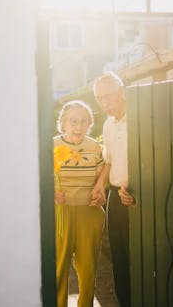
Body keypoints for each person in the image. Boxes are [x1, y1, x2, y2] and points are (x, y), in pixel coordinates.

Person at [53, 100, 106, 307]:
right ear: (63, 123)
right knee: (59, 266)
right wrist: (52, 193)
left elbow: (103, 179)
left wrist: (101, 193)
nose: (78, 126)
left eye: (84, 121)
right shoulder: (52, 145)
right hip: (60, 212)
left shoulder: (95, 147)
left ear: (89, 124)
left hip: (89, 212)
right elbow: (39, 177)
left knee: (88, 268)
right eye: (73, 121)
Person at [91, 72, 135, 307]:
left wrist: (135, 186)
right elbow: (109, 161)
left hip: (140, 197)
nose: (104, 103)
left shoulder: (140, 118)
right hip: (115, 199)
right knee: (119, 258)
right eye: (99, 98)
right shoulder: (108, 124)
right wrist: (100, 186)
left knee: (138, 259)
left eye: (108, 96)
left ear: (122, 92)